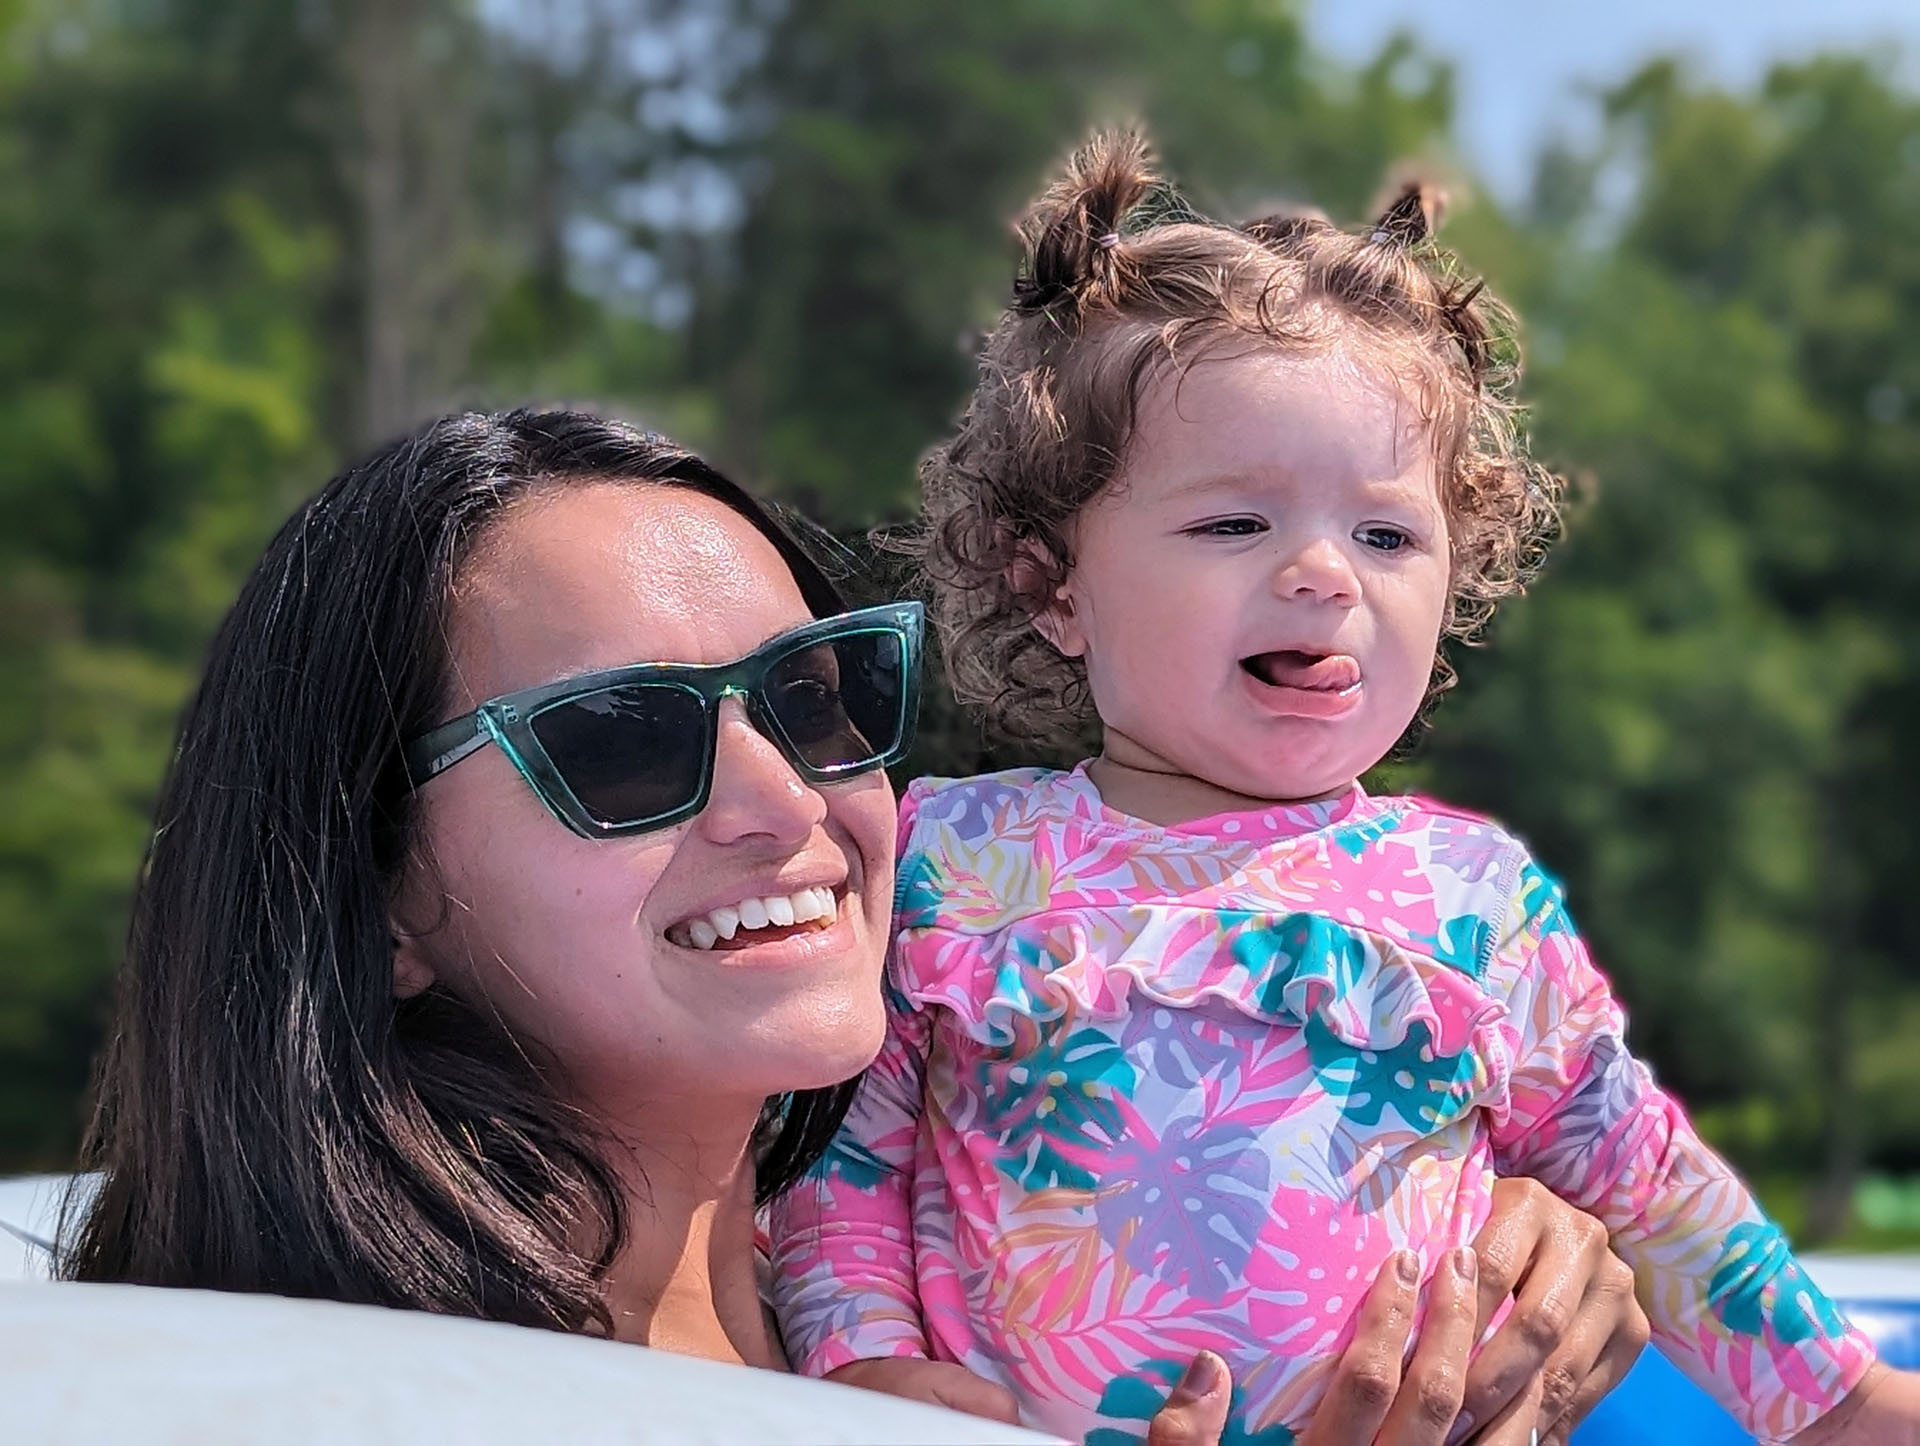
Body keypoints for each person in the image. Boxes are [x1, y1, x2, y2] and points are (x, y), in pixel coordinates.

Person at [61, 408, 1645, 1444]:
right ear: (381, 888)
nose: (784, 799)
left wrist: (1454, 1230)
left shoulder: (934, 1295)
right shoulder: (361, 1404)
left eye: (818, 696)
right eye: (625, 738)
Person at [767, 134, 1920, 1446]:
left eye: (1386, 533)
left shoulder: (1470, 896)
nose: (1326, 572)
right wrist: (861, 1357)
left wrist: (1841, 1402)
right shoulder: (956, 856)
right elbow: (842, 1157)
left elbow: (1644, 1176)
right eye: (1234, 523)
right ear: (1053, 585)